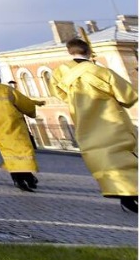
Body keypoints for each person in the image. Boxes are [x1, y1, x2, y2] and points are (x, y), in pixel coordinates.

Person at [51, 37, 138, 213]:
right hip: (111, 120)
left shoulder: (60, 72)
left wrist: (76, 101)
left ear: (69, 51)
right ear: (89, 52)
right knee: (123, 156)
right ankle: (132, 194)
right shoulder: (101, 71)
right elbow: (128, 96)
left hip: (84, 122)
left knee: (101, 158)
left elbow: (58, 93)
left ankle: (122, 195)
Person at [0, 67, 41, 192]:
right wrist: (32, 111)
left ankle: (19, 179)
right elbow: (25, 104)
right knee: (23, 151)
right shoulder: (7, 90)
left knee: (7, 153)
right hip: (13, 125)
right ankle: (27, 178)